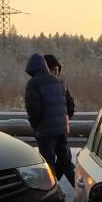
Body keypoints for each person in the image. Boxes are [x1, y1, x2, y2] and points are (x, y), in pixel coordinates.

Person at [24, 53, 72, 183]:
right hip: (62, 130)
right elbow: (70, 106)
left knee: (48, 165)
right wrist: (62, 121)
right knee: (66, 163)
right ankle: (82, 190)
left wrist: (36, 126)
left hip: (45, 132)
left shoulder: (33, 83)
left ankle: (53, 193)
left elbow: (33, 109)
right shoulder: (61, 82)